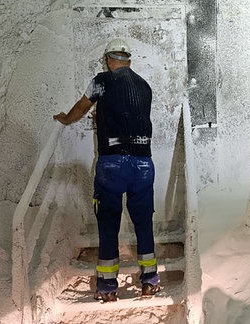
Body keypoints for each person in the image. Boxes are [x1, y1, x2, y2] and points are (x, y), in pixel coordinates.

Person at [53, 38, 160, 302]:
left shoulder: (102, 80)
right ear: (129, 62)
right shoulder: (145, 86)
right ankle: (150, 281)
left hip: (113, 163)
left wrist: (66, 118)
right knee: (144, 222)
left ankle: (108, 286)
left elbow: (82, 106)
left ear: (110, 61)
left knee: (109, 222)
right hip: (144, 163)